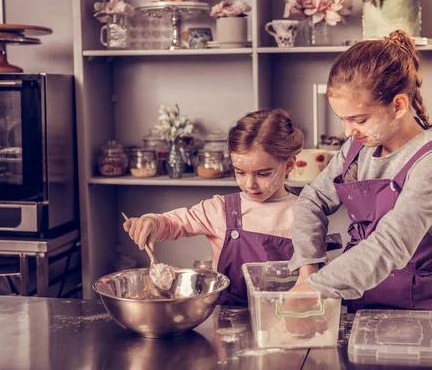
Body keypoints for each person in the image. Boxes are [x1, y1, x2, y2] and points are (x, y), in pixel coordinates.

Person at [287, 30, 432, 316]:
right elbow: (312, 200)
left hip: (414, 312)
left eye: (359, 119)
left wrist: (316, 288)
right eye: (342, 118)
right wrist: (308, 268)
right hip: (356, 305)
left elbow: (391, 243)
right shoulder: (358, 147)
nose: (347, 131)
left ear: (399, 106)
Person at [123, 108, 304, 306]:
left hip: (284, 321)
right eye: (240, 172)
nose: (250, 184)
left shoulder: (305, 214)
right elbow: (175, 222)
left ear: (288, 165)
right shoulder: (222, 210)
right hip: (229, 324)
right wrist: (152, 223)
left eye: (263, 174)